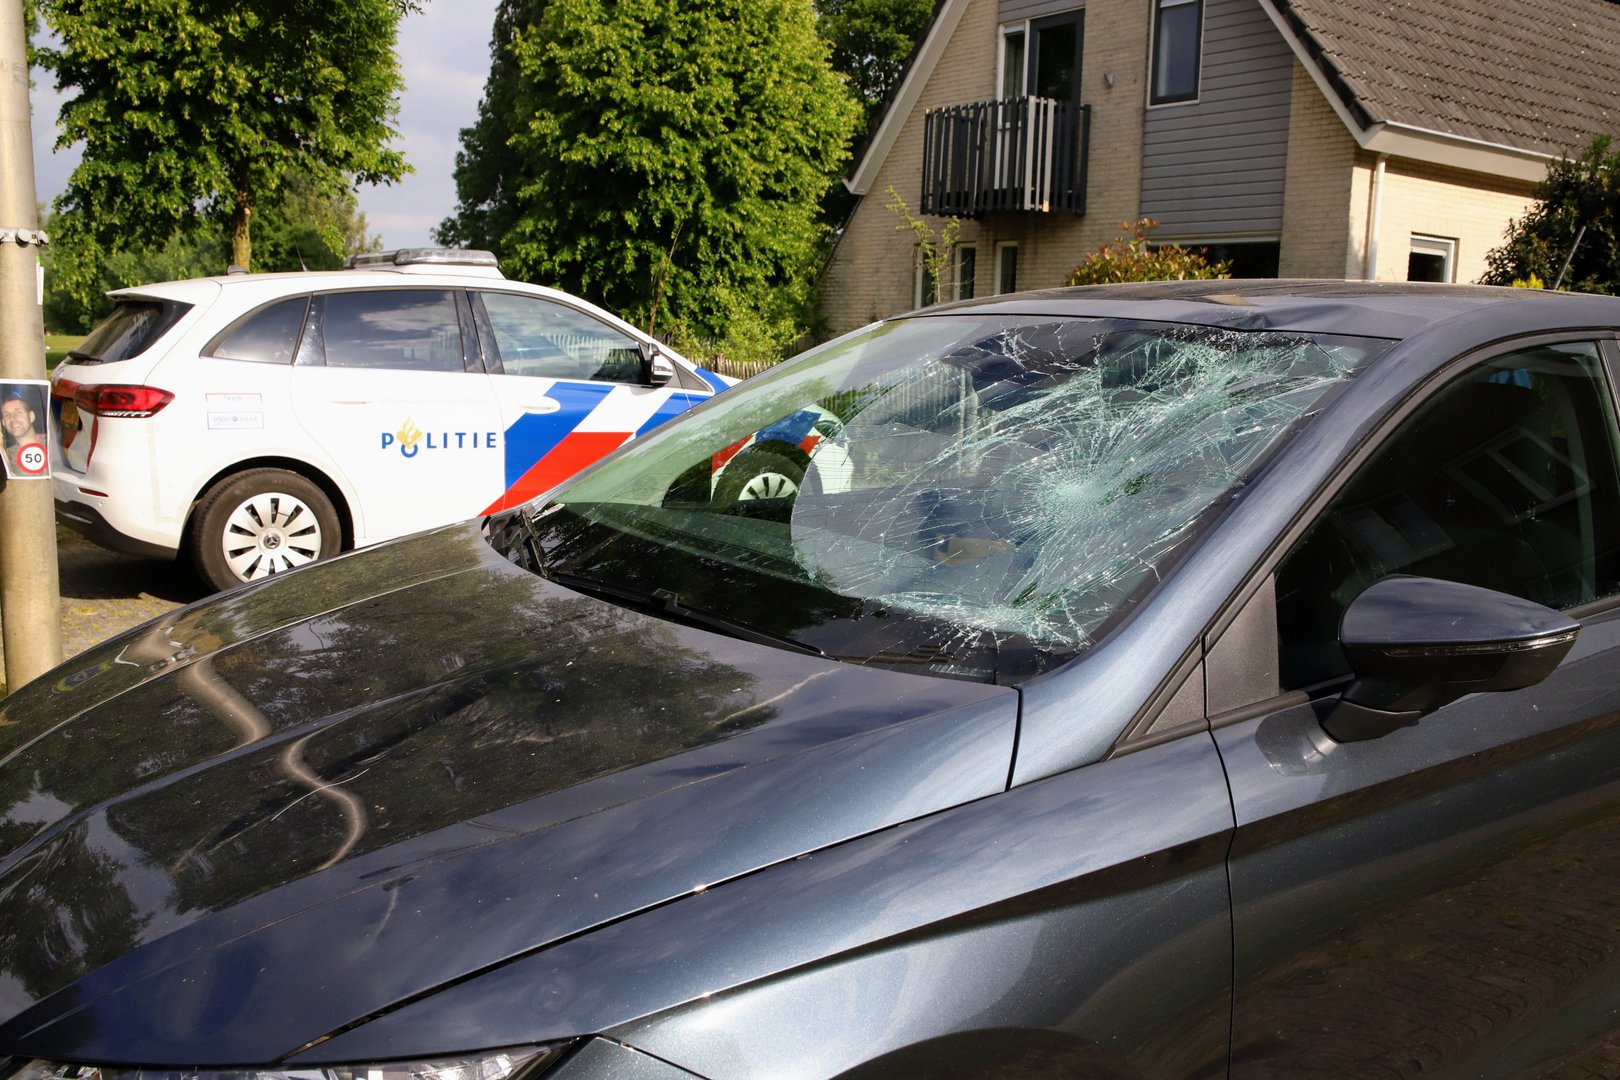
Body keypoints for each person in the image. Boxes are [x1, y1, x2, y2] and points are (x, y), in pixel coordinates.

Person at [2, 389, 43, 478]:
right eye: (6, 415)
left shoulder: (51, 444)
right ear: (3, 423)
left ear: (31, 416)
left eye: (19, 412)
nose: (12, 419)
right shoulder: (6, 456)